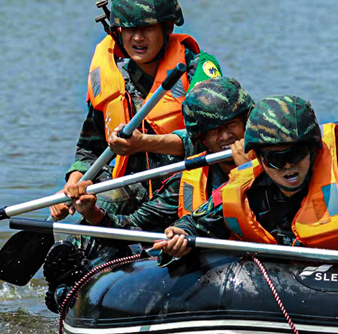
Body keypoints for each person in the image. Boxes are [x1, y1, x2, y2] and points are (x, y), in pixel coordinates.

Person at [42, 77, 252, 313]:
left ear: (247, 122)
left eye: (231, 125)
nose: (224, 137)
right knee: (117, 244)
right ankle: (75, 288)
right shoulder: (188, 181)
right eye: (213, 131)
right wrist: (92, 213)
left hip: (265, 267)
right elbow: (133, 228)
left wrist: (245, 173)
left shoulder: (277, 163)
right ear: (201, 140)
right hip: (208, 270)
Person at [156, 95, 338, 270]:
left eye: (295, 154)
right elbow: (193, 223)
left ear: (314, 149)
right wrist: (179, 236)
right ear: (257, 157)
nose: (288, 166)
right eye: (276, 159)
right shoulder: (247, 188)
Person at [50, 0, 223, 221]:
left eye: (147, 28)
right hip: (133, 187)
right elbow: (90, 148)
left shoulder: (197, 73)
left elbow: (218, 141)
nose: (138, 38)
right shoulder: (114, 79)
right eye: (129, 29)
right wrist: (74, 183)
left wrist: (144, 143)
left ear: (168, 28)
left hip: (191, 182)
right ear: (117, 32)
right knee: (93, 219)